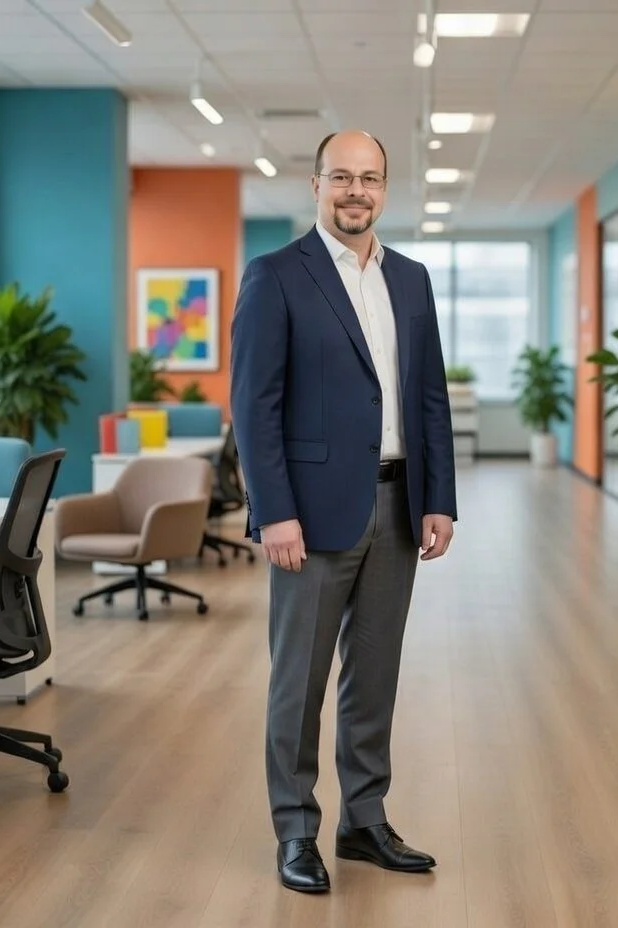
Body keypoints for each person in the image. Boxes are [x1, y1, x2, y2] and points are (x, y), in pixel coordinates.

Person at [229, 129, 458, 894]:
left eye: (370, 179)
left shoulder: (413, 280)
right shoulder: (276, 276)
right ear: (316, 185)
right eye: (342, 178)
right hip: (311, 515)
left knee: (375, 674)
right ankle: (296, 830)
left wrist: (439, 500)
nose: (356, 191)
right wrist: (274, 510)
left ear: (386, 188)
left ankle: (364, 820)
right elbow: (254, 407)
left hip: (398, 505)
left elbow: (429, 396)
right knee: (298, 681)